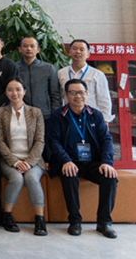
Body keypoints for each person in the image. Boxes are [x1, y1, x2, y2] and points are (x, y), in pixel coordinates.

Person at [47, 79, 118, 238]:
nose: (78, 96)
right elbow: (53, 141)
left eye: (81, 92)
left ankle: (104, 222)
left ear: (87, 94)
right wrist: (65, 160)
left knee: (110, 177)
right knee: (69, 174)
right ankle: (75, 221)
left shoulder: (95, 115)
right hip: (69, 161)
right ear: (66, 95)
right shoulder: (58, 115)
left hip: (93, 162)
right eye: (73, 93)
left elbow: (106, 139)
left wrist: (107, 162)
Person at [0, 77, 47, 236]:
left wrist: (29, 162)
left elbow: (40, 140)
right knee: (16, 178)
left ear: (24, 91)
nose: (14, 93)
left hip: (33, 160)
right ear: (6, 93)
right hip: (9, 160)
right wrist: (15, 161)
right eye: (10, 90)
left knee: (31, 178)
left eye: (18, 89)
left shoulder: (36, 112)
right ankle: (7, 215)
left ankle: (40, 220)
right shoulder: (0, 112)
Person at [57, 39, 113, 122]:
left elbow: (104, 100)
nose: (78, 51)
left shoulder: (97, 74)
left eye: (82, 49)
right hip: (67, 118)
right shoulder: (61, 73)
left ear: (88, 54)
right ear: (69, 52)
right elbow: (60, 96)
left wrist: (105, 121)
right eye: (74, 49)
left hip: (91, 118)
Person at [16, 36, 61, 121]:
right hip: (20, 114)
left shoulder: (48, 68)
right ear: (20, 49)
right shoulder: (14, 68)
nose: (29, 49)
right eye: (25, 46)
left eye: (32, 46)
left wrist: (54, 113)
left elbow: (55, 94)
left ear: (38, 49)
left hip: (44, 115)